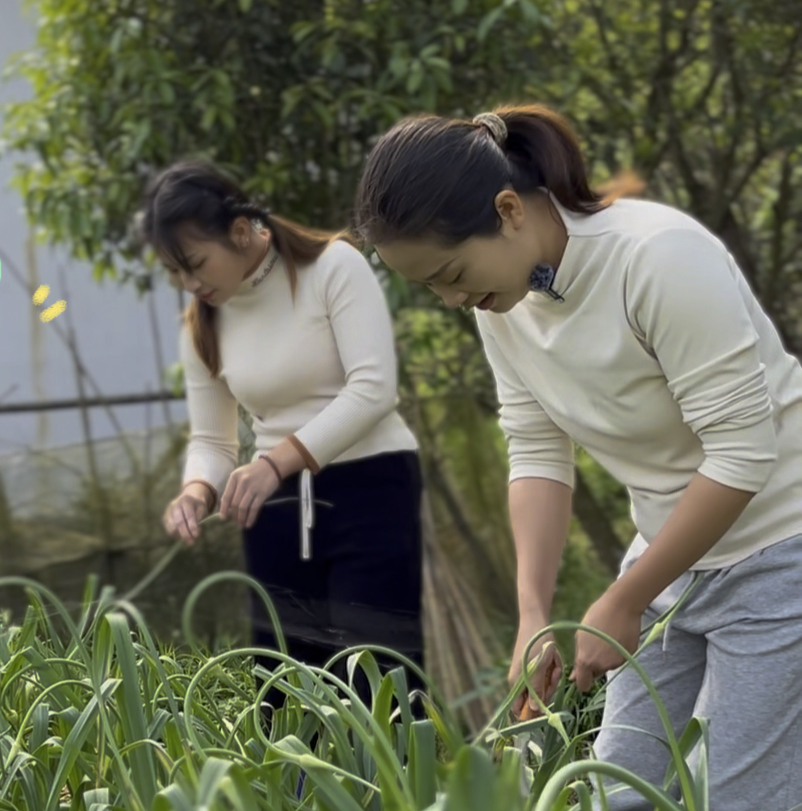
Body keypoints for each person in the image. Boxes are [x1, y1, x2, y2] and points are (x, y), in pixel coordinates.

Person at [352, 104, 802, 809]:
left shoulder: (656, 257)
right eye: (430, 287)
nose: (450, 299)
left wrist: (621, 600)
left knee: (746, 799)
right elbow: (536, 449)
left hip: (781, 548)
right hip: (670, 550)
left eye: (450, 272)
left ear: (507, 210)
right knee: (619, 788)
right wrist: (534, 613)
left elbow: (744, 452)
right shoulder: (505, 301)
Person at [138, 159, 425, 709]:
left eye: (196, 264)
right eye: (176, 274)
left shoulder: (334, 267)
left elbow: (373, 390)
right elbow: (214, 442)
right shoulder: (202, 322)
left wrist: (276, 461)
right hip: (272, 506)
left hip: (371, 486)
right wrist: (197, 490)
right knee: (284, 690)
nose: (191, 284)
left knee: (380, 678)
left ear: (241, 232)